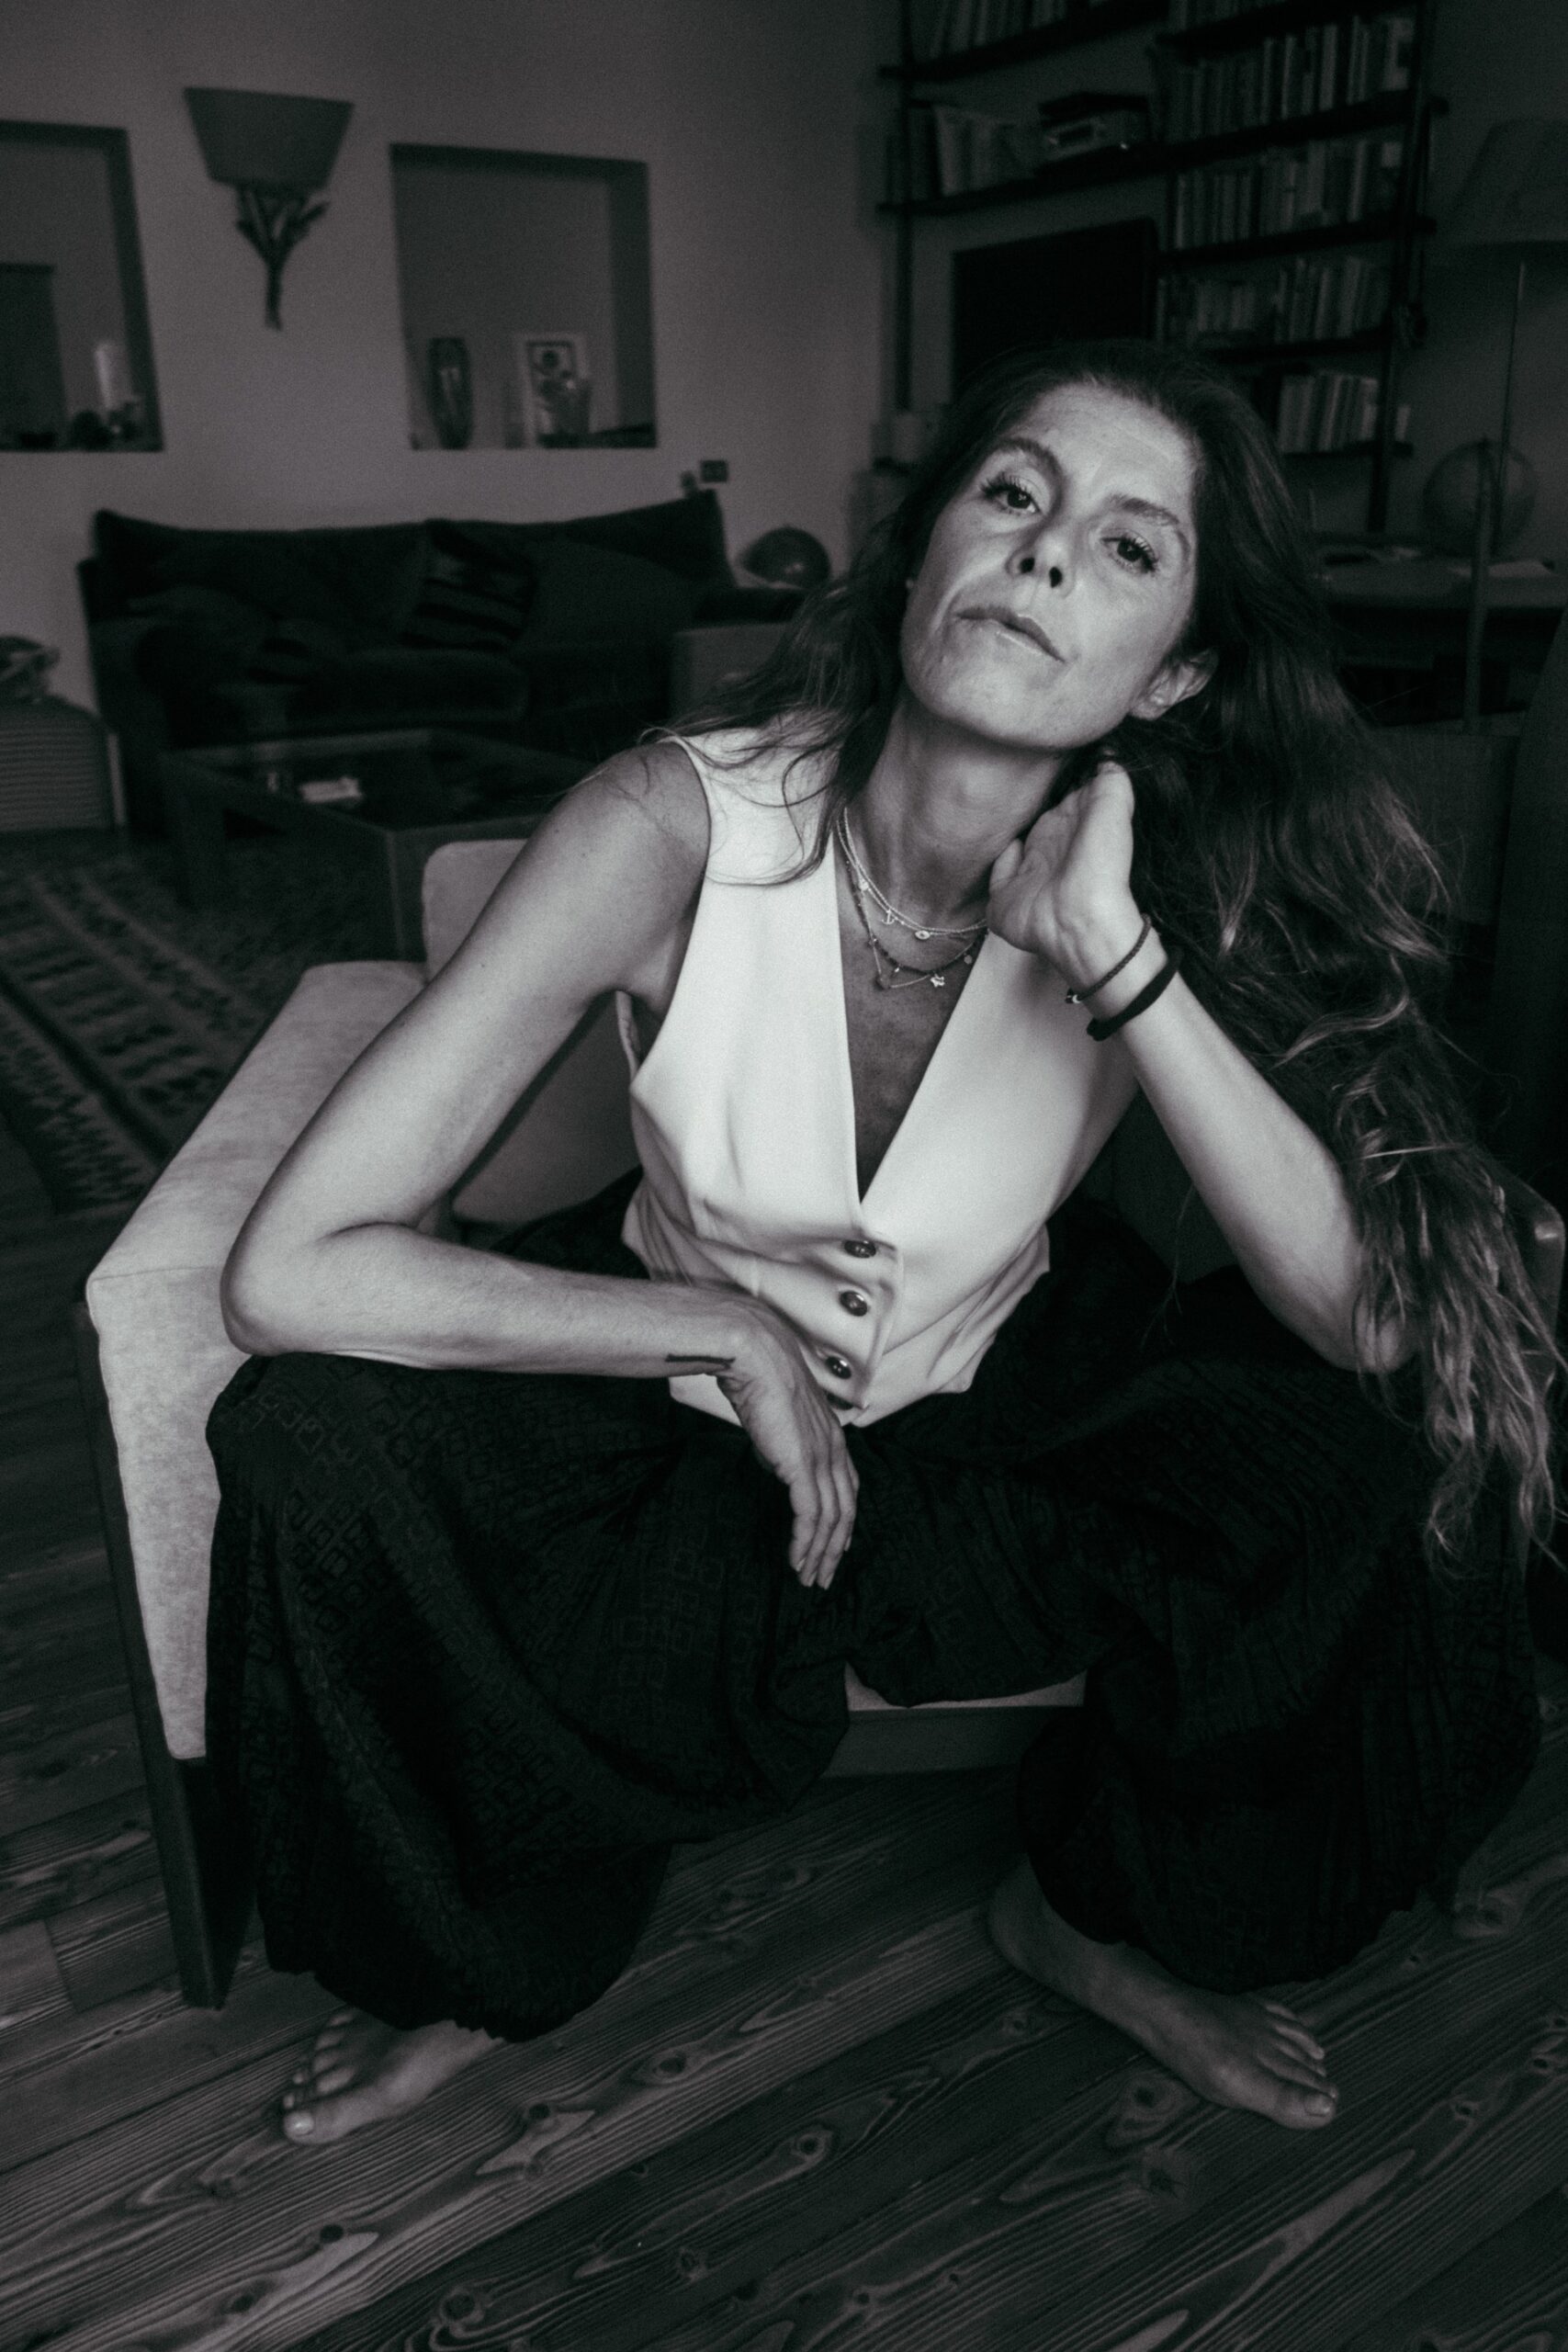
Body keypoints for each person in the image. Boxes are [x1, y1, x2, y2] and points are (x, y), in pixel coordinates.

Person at [208, 341, 1556, 2149]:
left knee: (1373, 1462)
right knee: (306, 1439)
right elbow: (288, 1271)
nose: (1047, 549)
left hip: (1000, 1392)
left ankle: (1088, 1915)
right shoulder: (670, 822)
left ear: (1174, 670)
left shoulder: (1175, 873)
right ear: (924, 553)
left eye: (1129, 545)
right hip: (671, 1399)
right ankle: (480, 1960)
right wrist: (722, 1332)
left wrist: (1112, 950)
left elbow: (1366, 1319)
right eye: (1012, 493)